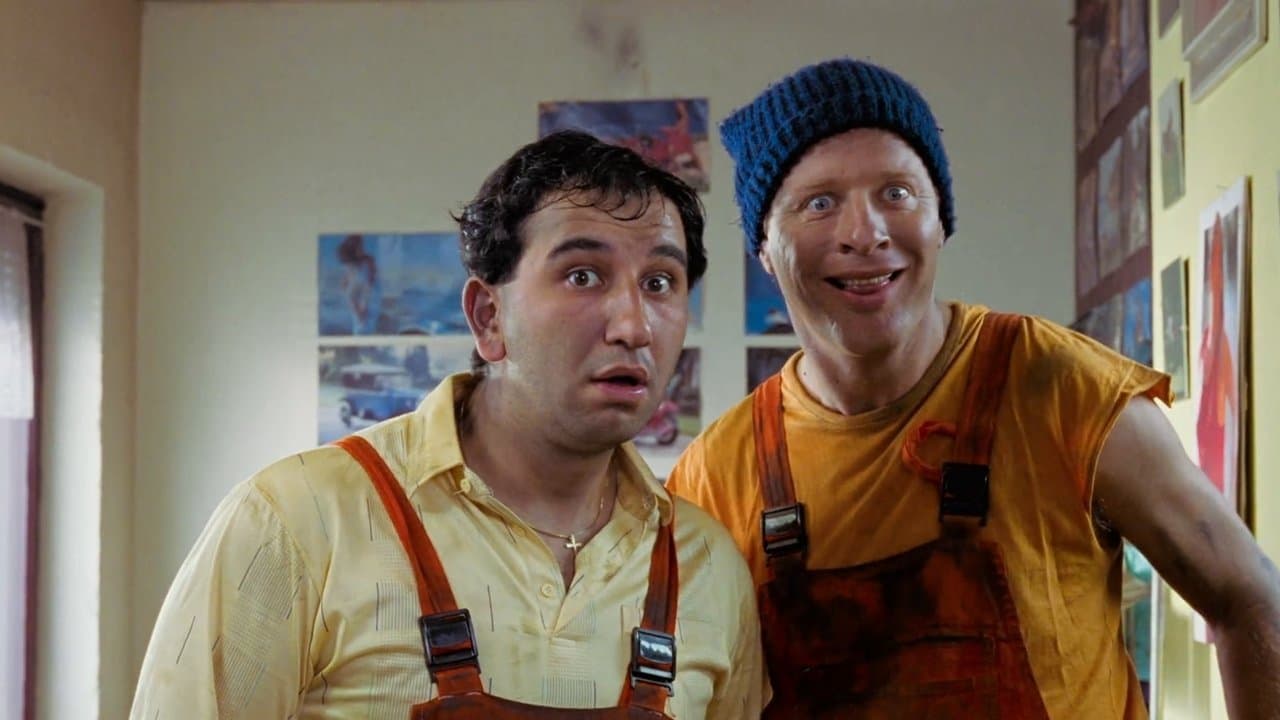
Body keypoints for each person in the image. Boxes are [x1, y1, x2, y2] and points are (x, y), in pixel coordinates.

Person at [667, 57, 1280, 719]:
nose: (865, 233)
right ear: (764, 247)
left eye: (897, 193)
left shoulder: (1062, 387)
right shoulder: (717, 476)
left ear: (940, 220)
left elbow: (1249, 600)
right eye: (819, 203)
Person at [131, 130, 764, 718]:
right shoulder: (295, 523)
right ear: (488, 316)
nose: (633, 325)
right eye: (582, 276)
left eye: (660, 282)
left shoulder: (706, 567)